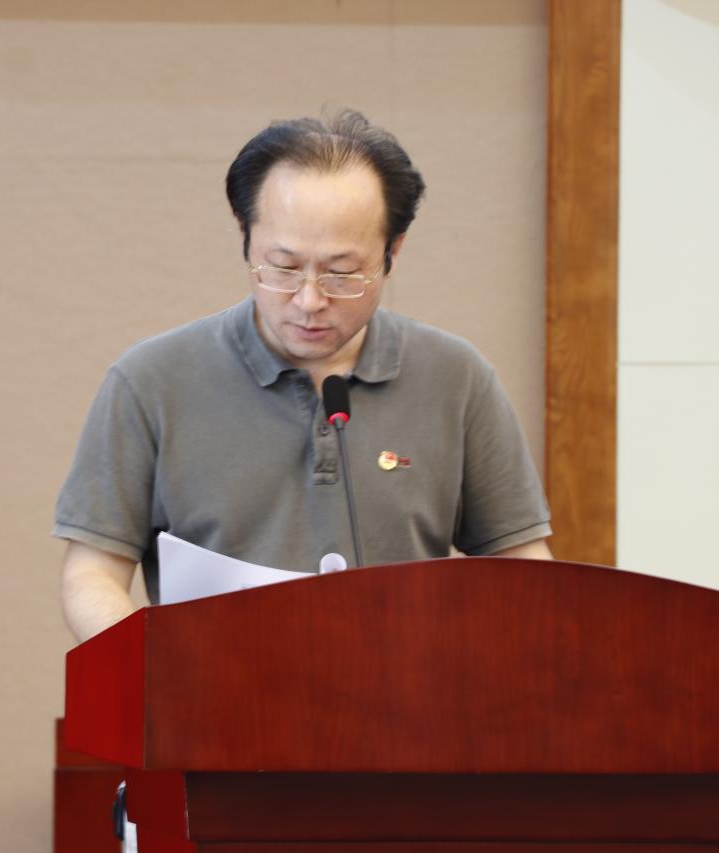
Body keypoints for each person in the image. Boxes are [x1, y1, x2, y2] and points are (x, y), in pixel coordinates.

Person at [55, 109, 552, 643]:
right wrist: (155, 670)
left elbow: (522, 564)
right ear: (245, 236)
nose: (310, 301)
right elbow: (92, 574)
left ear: (392, 252)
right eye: (284, 268)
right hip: (207, 691)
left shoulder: (456, 378)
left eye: (342, 273)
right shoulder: (151, 381)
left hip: (407, 694)